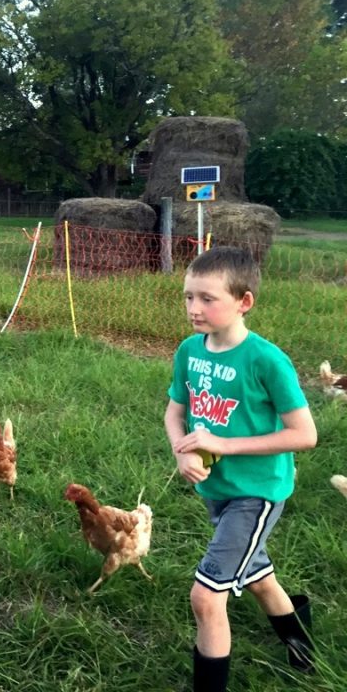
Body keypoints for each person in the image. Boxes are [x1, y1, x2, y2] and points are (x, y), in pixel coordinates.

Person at [163, 246, 317, 692]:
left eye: (207, 298)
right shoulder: (190, 351)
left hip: (258, 492)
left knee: (206, 596)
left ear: (243, 301)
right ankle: (303, 647)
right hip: (218, 492)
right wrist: (181, 450)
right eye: (188, 297)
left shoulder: (267, 360)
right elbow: (175, 412)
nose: (194, 308)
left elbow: (304, 434)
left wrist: (221, 444)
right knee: (257, 576)